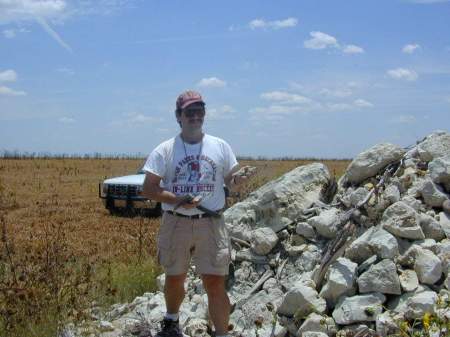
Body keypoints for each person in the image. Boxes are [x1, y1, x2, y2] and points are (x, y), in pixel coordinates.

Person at [142, 90, 255, 337]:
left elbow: (231, 181)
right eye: (189, 112)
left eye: (199, 111)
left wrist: (240, 178)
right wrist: (178, 200)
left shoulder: (220, 146)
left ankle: (221, 333)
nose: (195, 116)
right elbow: (149, 188)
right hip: (176, 222)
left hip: (210, 222)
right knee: (174, 277)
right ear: (178, 116)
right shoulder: (165, 150)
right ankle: (171, 321)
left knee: (215, 281)